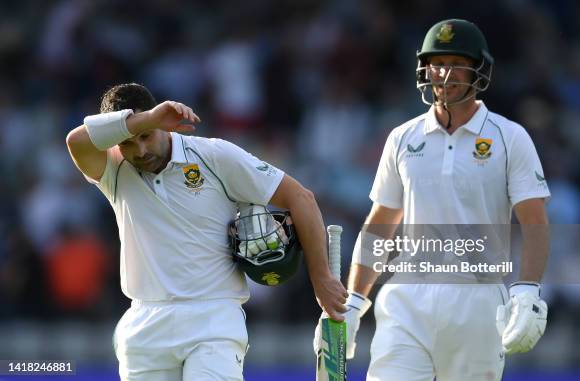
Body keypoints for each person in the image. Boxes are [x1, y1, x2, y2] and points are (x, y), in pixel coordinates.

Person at [66, 83, 348, 381]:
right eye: (128, 142)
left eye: (146, 137)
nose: (141, 150)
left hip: (213, 320)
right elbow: (76, 141)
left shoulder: (214, 156)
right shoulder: (112, 168)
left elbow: (301, 198)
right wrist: (148, 120)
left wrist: (322, 279)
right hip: (144, 326)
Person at [323, 19, 551, 380]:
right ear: (425, 69)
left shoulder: (510, 137)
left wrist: (527, 290)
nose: (446, 74)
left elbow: (535, 220)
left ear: (478, 69)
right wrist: (354, 301)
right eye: (438, 64)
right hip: (406, 298)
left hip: (477, 300)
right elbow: (380, 223)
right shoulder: (402, 137)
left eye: (457, 63)